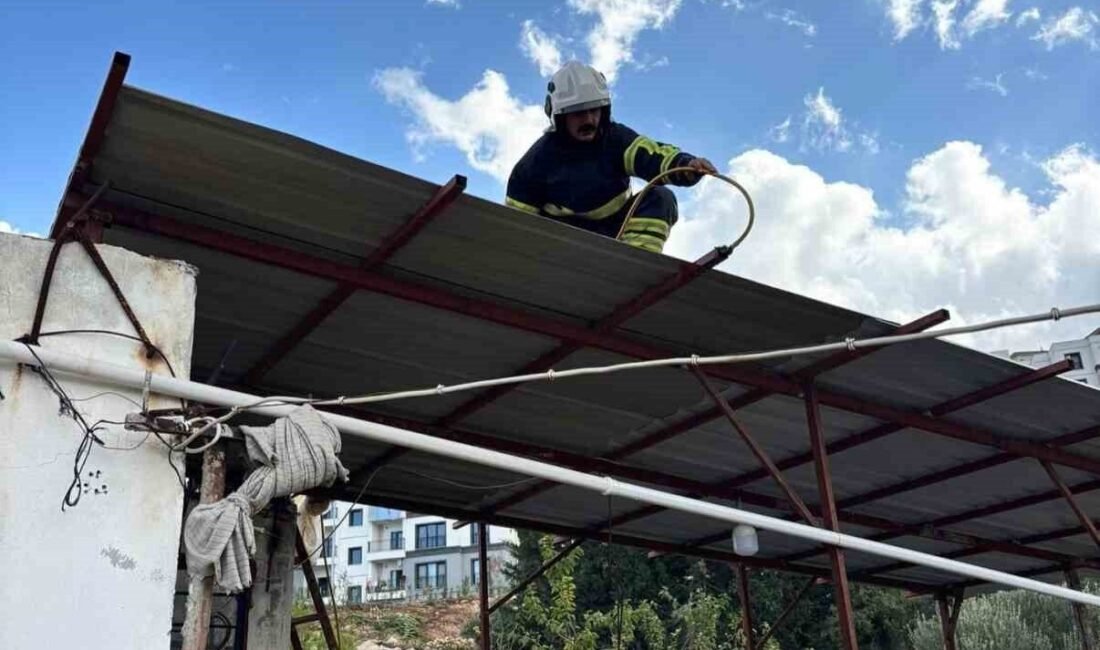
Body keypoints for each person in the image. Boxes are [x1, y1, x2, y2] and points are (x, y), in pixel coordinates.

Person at [506, 61, 716, 254]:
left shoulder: (616, 139)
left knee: (661, 198)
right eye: (578, 113)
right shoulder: (535, 163)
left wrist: (685, 165)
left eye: (594, 110)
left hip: (616, 231)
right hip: (564, 243)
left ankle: (637, 264)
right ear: (560, 117)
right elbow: (516, 224)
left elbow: (652, 156)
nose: (589, 119)